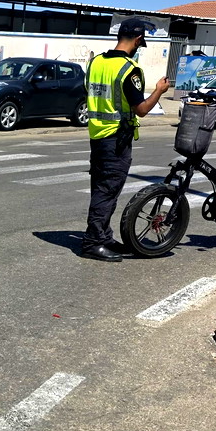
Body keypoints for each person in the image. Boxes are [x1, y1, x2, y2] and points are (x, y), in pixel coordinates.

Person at [79, 18, 172, 262]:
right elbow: (141, 109)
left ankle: (104, 236)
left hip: (97, 134)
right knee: (106, 191)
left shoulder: (96, 62)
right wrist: (159, 91)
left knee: (101, 187)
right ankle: (93, 242)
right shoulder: (129, 69)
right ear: (139, 40)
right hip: (116, 138)